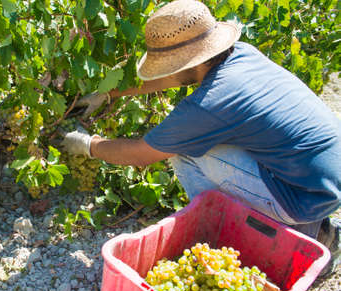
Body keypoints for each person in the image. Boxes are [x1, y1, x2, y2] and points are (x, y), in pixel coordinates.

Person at [61, 0, 340, 276]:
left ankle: (242, 239)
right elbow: (177, 77)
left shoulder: (209, 104)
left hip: (303, 198)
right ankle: (313, 229)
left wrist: (88, 145)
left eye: (170, 64)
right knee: (214, 143)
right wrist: (110, 92)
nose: (167, 71)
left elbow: (140, 154)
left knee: (187, 154)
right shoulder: (241, 54)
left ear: (187, 61)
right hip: (323, 179)